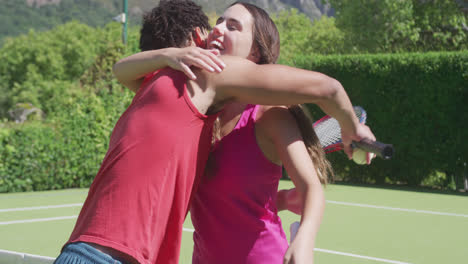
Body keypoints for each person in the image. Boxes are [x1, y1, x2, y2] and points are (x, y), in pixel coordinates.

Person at [55, 1, 375, 264]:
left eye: (233, 26)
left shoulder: (267, 115)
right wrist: (170, 54)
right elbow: (219, 200)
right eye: (218, 21)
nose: (217, 29)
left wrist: (351, 128)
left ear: (255, 57)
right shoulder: (197, 118)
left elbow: (328, 90)